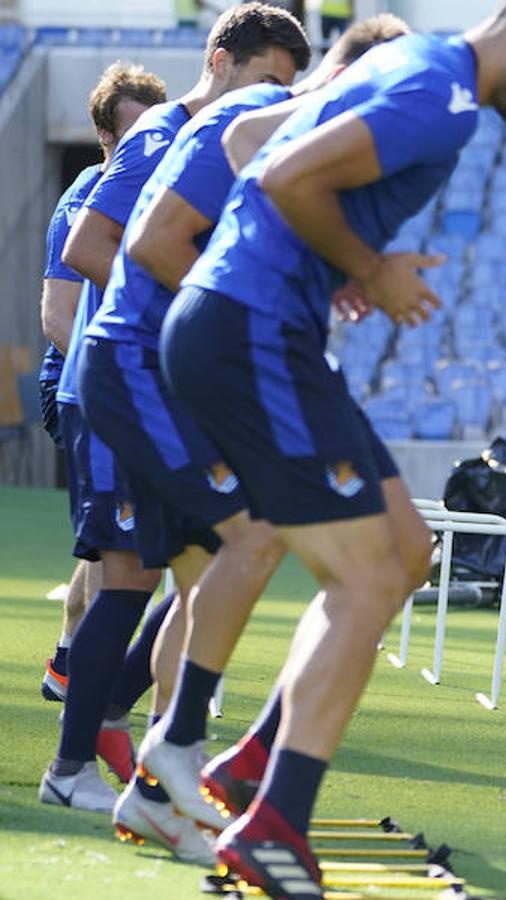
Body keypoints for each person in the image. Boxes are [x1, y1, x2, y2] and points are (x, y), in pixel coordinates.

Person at [159, 3, 506, 893]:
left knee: (409, 552)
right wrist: (369, 268)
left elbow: (248, 148)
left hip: (263, 324)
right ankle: (269, 821)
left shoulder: (415, 63)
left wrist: (336, 261)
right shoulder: (438, 94)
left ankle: (249, 765)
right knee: (368, 576)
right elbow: (283, 178)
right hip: (250, 329)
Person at [79, 17, 404, 864]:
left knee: (197, 577)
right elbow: (150, 247)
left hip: (175, 377)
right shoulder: (252, 113)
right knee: (250, 538)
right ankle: (164, 753)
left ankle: (158, 785)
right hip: (140, 368)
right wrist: (241, 312)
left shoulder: (293, 138)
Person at [39, 2, 310, 819]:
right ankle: (73, 765)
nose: (270, 101)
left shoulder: (229, 147)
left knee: (201, 563)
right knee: (133, 570)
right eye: (265, 80)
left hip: (176, 391)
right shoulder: (162, 134)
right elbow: (89, 246)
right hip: (119, 385)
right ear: (220, 59)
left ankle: (148, 745)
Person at [35, 67, 167, 705]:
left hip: (122, 382)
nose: (147, 143)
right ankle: (83, 679)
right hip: (84, 383)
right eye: (132, 131)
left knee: (112, 541)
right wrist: (114, 379)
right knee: (117, 540)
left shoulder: (155, 193)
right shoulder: (88, 198)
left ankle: (70, 667)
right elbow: (58, 316)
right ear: (101, 134)